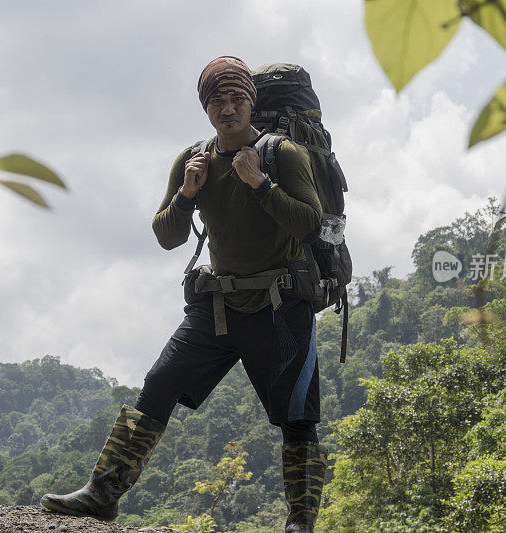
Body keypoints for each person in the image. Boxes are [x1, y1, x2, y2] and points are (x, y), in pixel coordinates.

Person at [40, 56, 328, 533]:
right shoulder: (191, 159)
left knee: (298, 419)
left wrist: (258, 181)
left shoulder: (283, 155)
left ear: (250, 102)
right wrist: (189, 192)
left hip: (281, 307)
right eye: (217, 101)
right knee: (158, 387)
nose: (228, 109)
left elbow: (308, 221)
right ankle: (102, 493)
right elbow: (166, 235)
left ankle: (300, 522)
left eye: (236, 99)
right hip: (216, 307)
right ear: (205, 108)